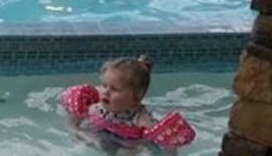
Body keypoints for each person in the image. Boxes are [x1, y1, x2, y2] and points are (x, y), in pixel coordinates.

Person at [61, 56, 196, 149]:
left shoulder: (141, 119)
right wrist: (76, 128)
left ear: (136, 97)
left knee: (127, 154)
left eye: (114, 89)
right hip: (102, 135)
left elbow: (166, 140)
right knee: (83, 130)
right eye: (104, 85)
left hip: (126, 144)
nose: (105, 92)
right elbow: (77, 115)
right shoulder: (97, 106)